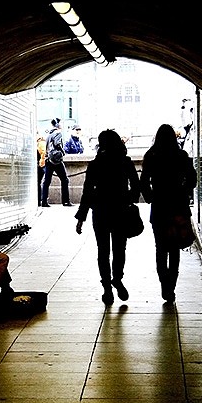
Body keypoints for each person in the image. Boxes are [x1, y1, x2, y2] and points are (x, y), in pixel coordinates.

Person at [75, 129, 141, 304]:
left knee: (103, 251)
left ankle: (106, 289)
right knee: (119, 249)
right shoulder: (125, 162)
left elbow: (87, 192)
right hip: (120, 210)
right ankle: (117, 279)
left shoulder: (95, 164)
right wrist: (129, 200)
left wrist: (81, 217)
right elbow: (136, 185)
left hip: (101, 211)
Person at [139, 123, 198, 303]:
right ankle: (171, 287)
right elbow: (193, 180)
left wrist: (150, 197)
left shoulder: (151, 155)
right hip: (178, 206)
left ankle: (164, 283)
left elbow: (143, 182)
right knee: (174, 248)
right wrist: (183, 192)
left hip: (159, 207)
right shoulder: (181, 156)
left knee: (161, 248)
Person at [41, 118, 72, 207]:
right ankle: (65, 201)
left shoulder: (49, 135)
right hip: (56, 161)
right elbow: (58, 144)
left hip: (48, 160)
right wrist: (63, 152)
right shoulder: (58, 133)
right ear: (58, 125)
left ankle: (44, 201)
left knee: (46, 181)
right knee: (65, 180)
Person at [36, 135, 46, 206]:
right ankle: (39, 201)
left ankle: (39, 201)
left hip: (39, 166)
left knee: (38, 184)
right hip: (41, 167)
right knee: (39, 183)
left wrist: (40, 164)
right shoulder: (42, 143)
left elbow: (41, 154)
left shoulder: (40, 144)